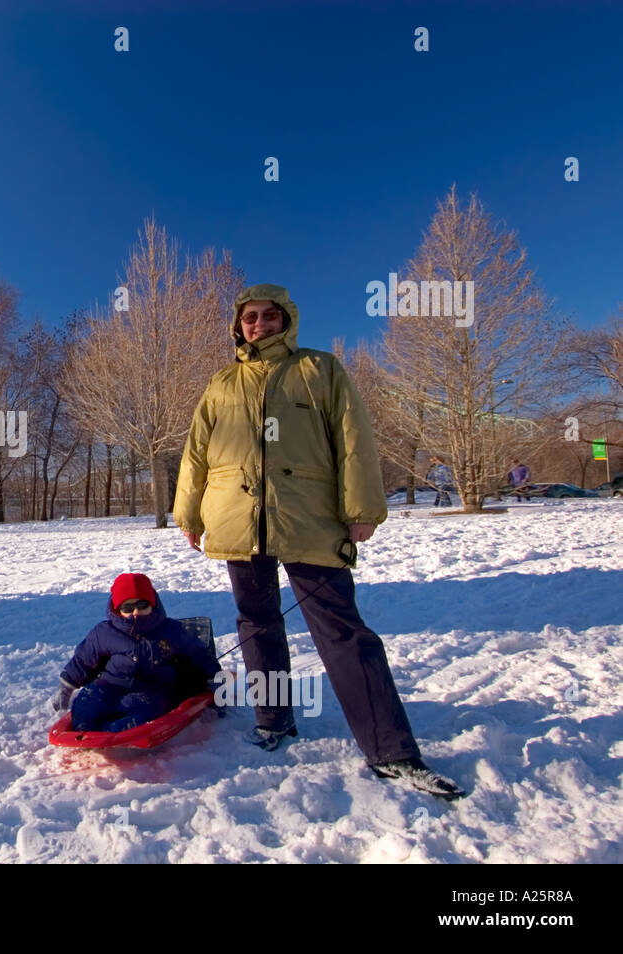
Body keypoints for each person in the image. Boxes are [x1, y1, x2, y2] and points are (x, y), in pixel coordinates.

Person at [172, 283, 464, 799]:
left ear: (287, 320)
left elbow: (354, 439)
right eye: (249, 318)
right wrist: (189, 513)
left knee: (343, 632)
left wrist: (361, 508)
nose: (258, 325)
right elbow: (197, 452)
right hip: (239, 520)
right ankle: (274, 720)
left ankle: (392, 750)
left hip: (309, 518)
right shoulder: (221, 382)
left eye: (268, 316)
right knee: (257, 623)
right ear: (238, 326)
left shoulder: (320, 369)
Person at [51, 572, 221, 732]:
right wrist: (66, 687)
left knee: (138, 706)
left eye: (142, 605)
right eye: (128, 607)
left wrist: (215, 678)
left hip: (153, 689)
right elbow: (83, 660)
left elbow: (198, 654)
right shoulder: (104, 632)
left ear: (152, 604)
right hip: (111, 685)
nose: (136, 612)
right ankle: (85, 725)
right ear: (118, 609)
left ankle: (115, 728)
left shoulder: (171, 630)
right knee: (88, 699)